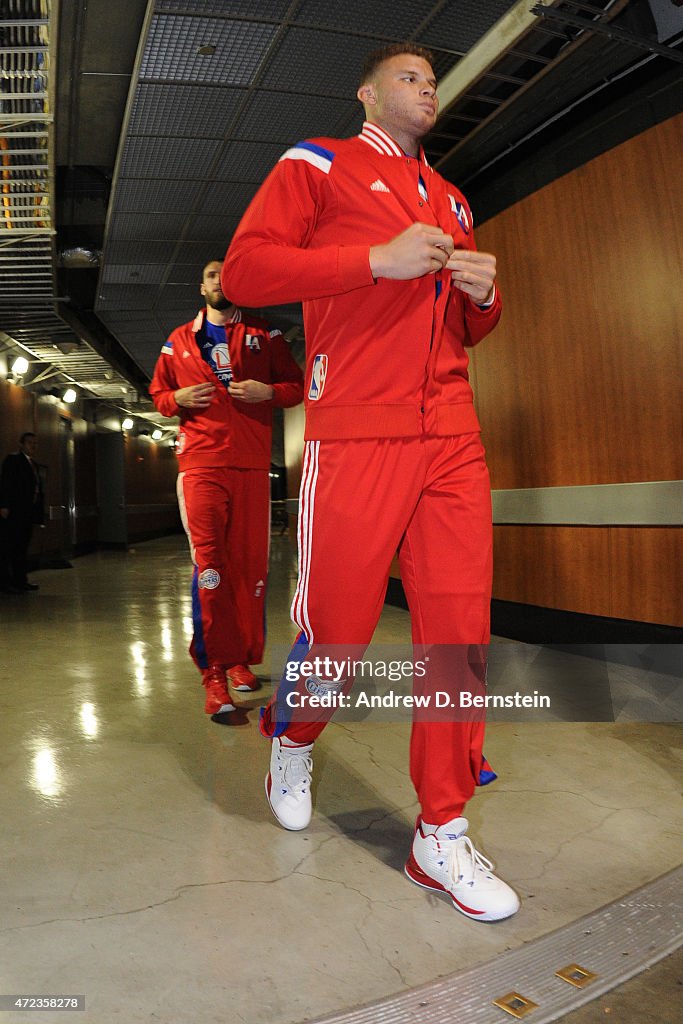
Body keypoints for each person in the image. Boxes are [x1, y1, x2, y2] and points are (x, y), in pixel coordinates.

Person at [222, 44, 519, 921]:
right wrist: (371, 262)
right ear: (366, 92)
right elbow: (245, 272)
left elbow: (466, 333)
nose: (425, 89)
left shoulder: (454, 198)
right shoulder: (316, 162)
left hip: (450, 436)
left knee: (459, 632)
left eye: (432, 81)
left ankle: (441, 829)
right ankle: (295, 737)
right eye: (408, 77)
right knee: (341, 633)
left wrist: (484, 294)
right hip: (358, 432)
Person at [149, 260, 304, 718]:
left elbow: (296, 387)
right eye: (212, 274)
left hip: (252, 467)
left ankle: (238, 658)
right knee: (211, 566)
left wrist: (268, 393)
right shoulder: (177, 341)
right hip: (201, 464)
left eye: (227, 274)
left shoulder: (265, 335)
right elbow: (158, 396)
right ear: (202, 286)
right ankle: (213, 672)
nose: (220, 281)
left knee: (249, 567)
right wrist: (175, 399)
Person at [0, 431, 45, 593]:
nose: (33, 446)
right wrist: (4, 506)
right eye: (29, 443)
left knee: (22, 547)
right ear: (21, 444)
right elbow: (6, 483)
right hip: (14, 512)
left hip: (27, 513)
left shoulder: (33, 464)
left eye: (35, 443)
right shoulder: (13, 460)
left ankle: (21, 580)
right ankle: (6, 583)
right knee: (10, 547)